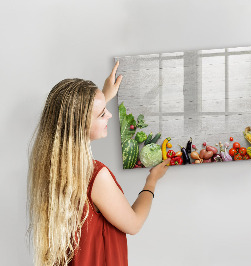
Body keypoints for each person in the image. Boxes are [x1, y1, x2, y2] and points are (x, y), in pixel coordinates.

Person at [27, 61, 171, 266]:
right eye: (103, 113)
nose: (110, 115)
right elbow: (134, 224)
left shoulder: (50, 165)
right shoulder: (95, 176)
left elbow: (77, 118)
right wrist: (152, 181)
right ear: (81, 125)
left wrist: (104, 96)